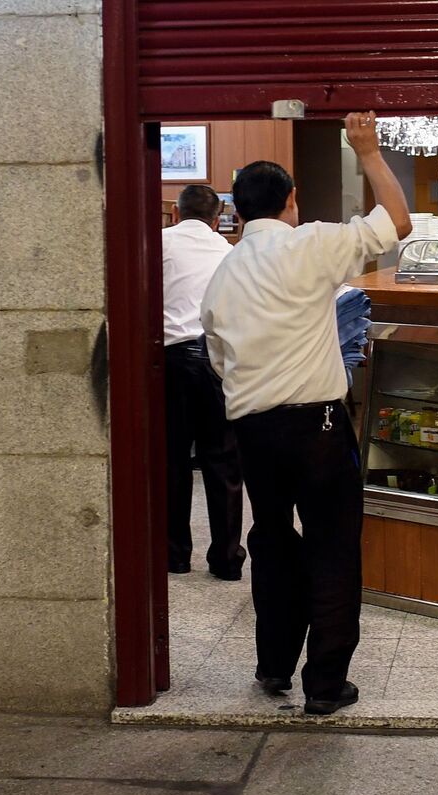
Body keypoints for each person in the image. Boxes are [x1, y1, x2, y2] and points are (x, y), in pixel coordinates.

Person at [200, 112, 411, 715]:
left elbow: (218, 360)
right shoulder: (313, 244)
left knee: (270, 541)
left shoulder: (224, 275)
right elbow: (396, 222)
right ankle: (325, 684)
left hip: (254, 431)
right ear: (292, 201)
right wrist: (366, 150)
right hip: (318, 428)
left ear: (236, 212)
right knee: (333, 547)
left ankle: (272, 667)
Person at [162, 185, 246, 579]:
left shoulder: (159, 243)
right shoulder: (228, 253)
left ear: (176, 214)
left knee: (172, 460)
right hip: (216, 361)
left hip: (171, 361)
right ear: (217, 220)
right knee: (223, 462)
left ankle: (175, 555)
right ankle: (227, 560)